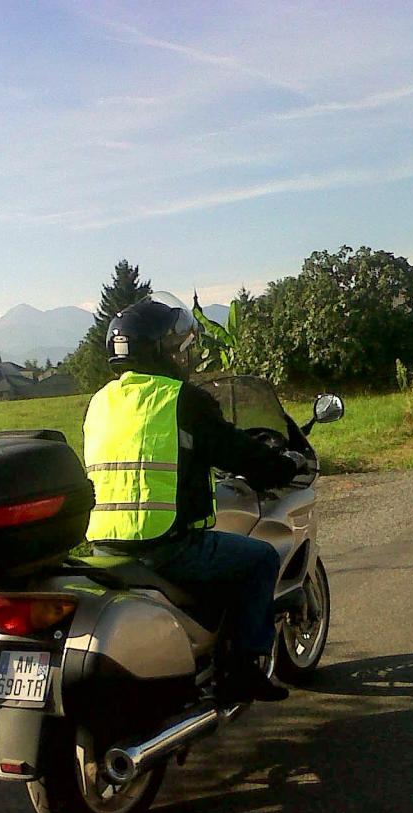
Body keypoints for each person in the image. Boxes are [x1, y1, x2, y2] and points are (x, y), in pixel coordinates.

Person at [82, 291, 305, 703]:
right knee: (260, 559)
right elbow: (235, 451)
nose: (186, 357)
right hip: (168, 548)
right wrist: (282, 467)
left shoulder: (100, 402)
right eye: (182, 349)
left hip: (105, 547)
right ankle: (244, 669)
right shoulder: (181, 399)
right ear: (165, 352)